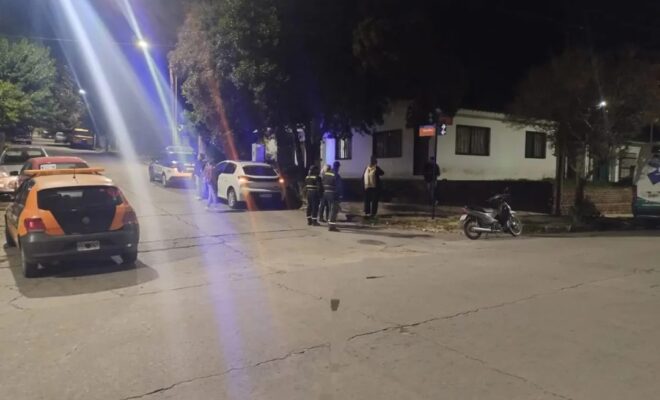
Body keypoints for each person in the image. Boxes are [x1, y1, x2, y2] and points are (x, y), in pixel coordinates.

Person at [322, 161, 342, 231]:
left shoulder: (326, 173)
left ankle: (329, 221)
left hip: (325, 193)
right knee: (334, 209)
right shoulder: (336, 174)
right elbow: (339, 187)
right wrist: (340, 196)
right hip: (333, 193)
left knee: (330, 208)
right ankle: (332, 226)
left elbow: (322, 182)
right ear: (338, 167)